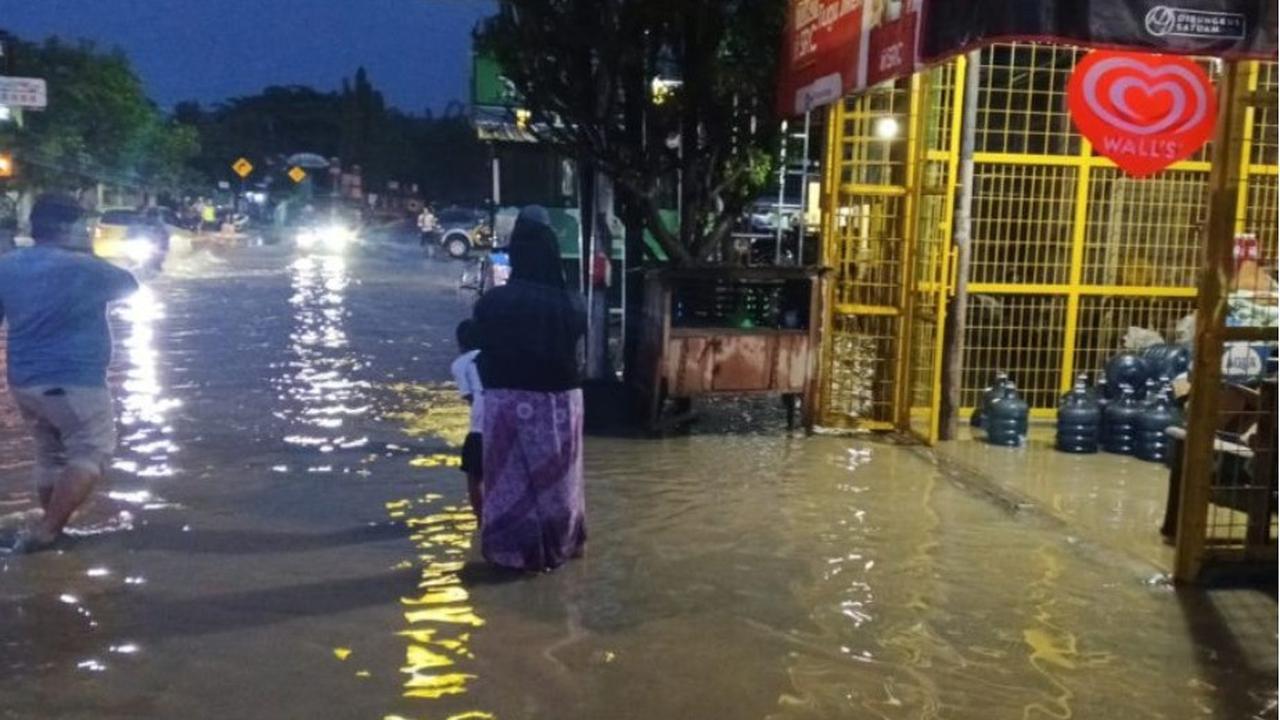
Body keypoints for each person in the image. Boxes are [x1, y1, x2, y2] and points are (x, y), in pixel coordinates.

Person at [0, 194, 138, 552]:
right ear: (67, 227)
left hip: (25, 381)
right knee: (92, 451)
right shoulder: (85, 267)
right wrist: (88, 251)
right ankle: (47, 530)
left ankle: (53, 523)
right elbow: (130, 285)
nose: (88, 230)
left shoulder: (7, 265)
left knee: (50, 453)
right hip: (74, 380)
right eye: (83, 225)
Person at [472, 207, 587, 571]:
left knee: (508, 482)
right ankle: (561, 549)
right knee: (560, 485)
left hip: (505, 400)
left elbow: (481, 344)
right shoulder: (573, 304)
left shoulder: (492, 302)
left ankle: (511, 556)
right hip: (561, 403)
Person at [451, 319, 485, 522]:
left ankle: (481, 520)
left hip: (480, 428)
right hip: (506, 423)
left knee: (474, 475)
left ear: (460, 343)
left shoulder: (461, 364)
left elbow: (469, 397)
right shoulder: (495, 356)